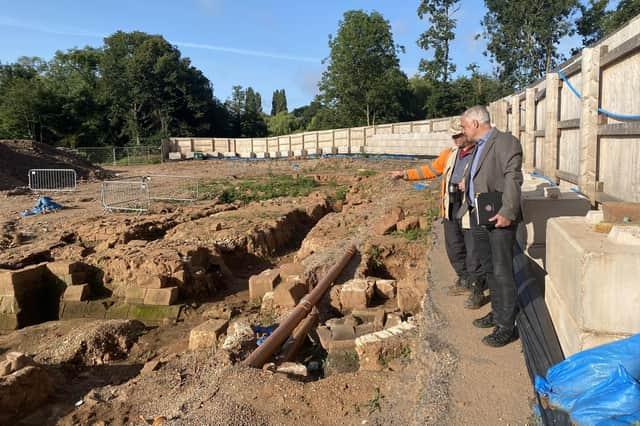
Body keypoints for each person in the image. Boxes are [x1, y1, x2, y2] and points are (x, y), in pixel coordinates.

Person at [390, 118, 485, 309]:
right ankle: (464, 279)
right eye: (453, 136)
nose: (455, 139)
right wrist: (405, 174)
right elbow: (431, 170)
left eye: (458, 135)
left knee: (474, 252)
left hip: (470, 209)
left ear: (467, 132)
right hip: (451, 206)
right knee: (454, 248)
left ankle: (477, 289)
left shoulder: (480, 154)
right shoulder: (450, 154)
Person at [458, 105, 523, 347]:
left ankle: (507, 326)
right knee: (488, 267)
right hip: (479, 213)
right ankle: (496, 312)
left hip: (499, 216)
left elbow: (513, 177)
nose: (463, 131)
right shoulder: (478, 146)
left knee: (502, 271)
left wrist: (508, 211)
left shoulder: (505, 142)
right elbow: (481, 174)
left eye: (464, 126)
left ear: (475, 123)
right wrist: (469, 184)